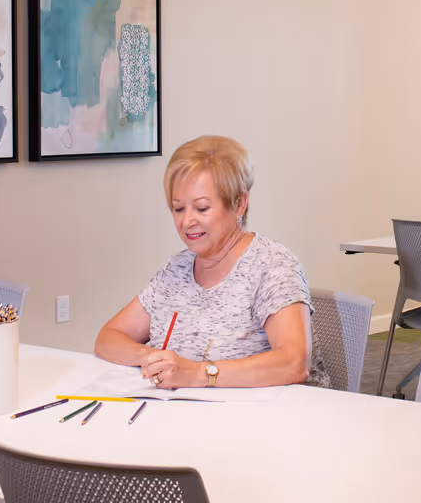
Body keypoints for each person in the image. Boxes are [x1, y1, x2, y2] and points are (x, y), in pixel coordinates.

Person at [95, 135, 323, 388]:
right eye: (178, 209)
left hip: (264, 418)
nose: (187, 221)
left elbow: (294, 363)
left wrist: (197, 374)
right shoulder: (177, 269)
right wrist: (152, 358)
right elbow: (108, 338)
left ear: (239, 204)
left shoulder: (273, 265)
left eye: (202, 208)